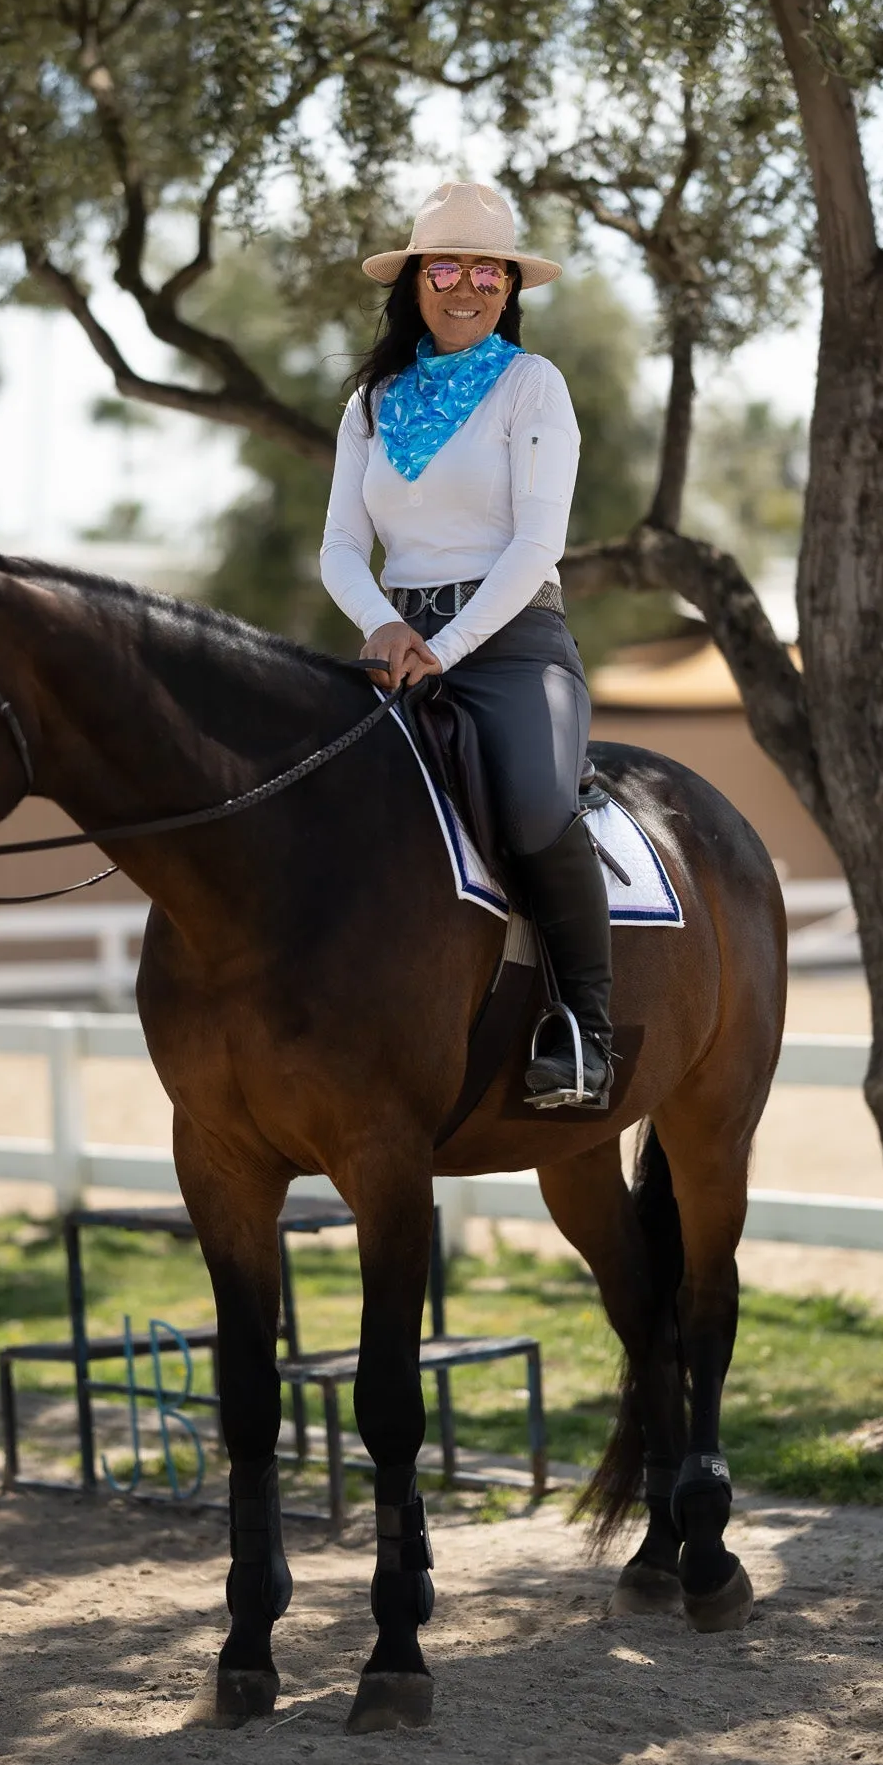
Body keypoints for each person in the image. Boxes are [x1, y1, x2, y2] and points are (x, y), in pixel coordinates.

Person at [319, 181, 613, 1107]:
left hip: (512, 642)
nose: (465, 285)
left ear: (507, 287)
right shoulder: (370, 402)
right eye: (443, 266)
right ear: (412, 282)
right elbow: (336, 548)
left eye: (486, 269)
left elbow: (536, 546)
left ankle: (585, 1036)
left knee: (533, 811)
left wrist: (447, 645)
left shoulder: (533, 384)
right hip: (395, 638)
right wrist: (383, 623)